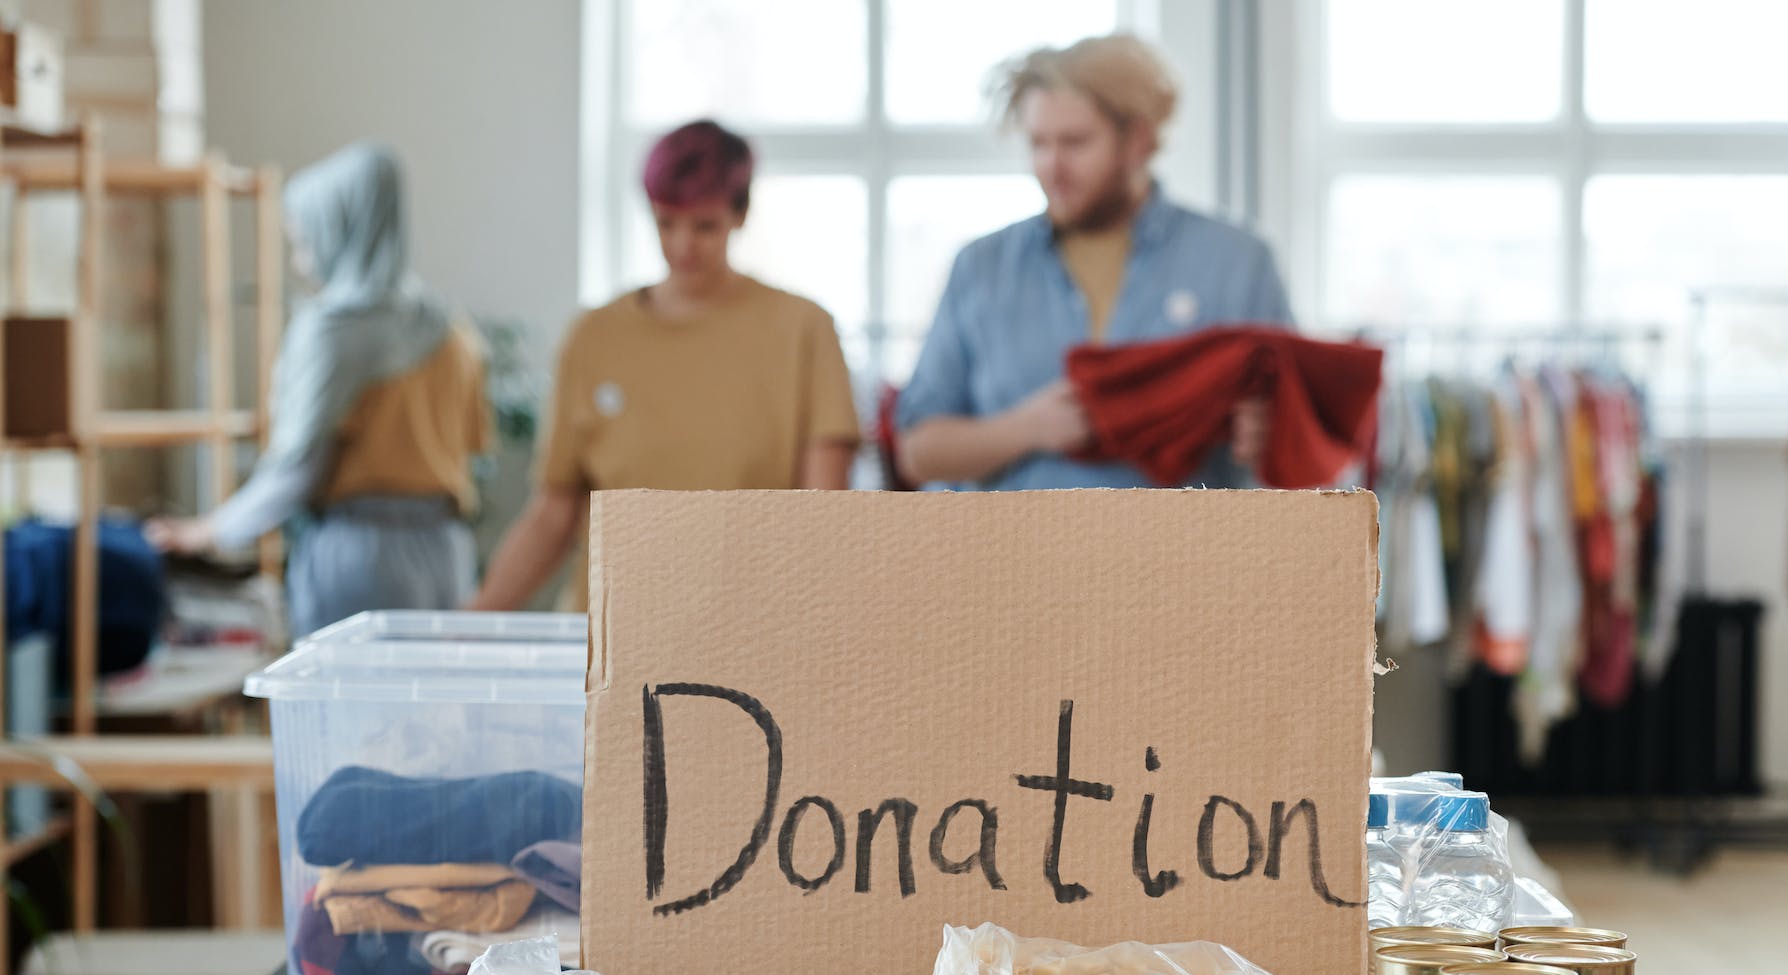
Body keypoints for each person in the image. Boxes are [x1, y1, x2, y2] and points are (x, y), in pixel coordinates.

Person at [469, 120, 859, 612]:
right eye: (666, 223)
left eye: (704, 226)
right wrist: (476, 616)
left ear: (739, 215)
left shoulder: (803, 329)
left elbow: (821, 516)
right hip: (612, 634)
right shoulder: (594, 336)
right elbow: (553, 511)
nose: (682, 246)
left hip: (750, 630)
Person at [894, 34, 1292, 490]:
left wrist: (1271, 435)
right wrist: (1027, 428)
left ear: (1139, 139)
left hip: (1189, 557)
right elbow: (918, 451)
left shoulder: (1238, 264)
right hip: (1011, 558)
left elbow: (1304, 443)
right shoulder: (981, 268)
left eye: (1075, 143)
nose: (1051, 165)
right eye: (1038, 143)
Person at [147, 143, 488, 637]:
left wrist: (207, 532)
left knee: (355, 710)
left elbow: (298, 472)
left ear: (341, 231)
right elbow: (473, 447)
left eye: (305, 242)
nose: (302, 265)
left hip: (359, 563)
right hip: (446, 556)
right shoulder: (453, 332)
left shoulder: (333, 332)